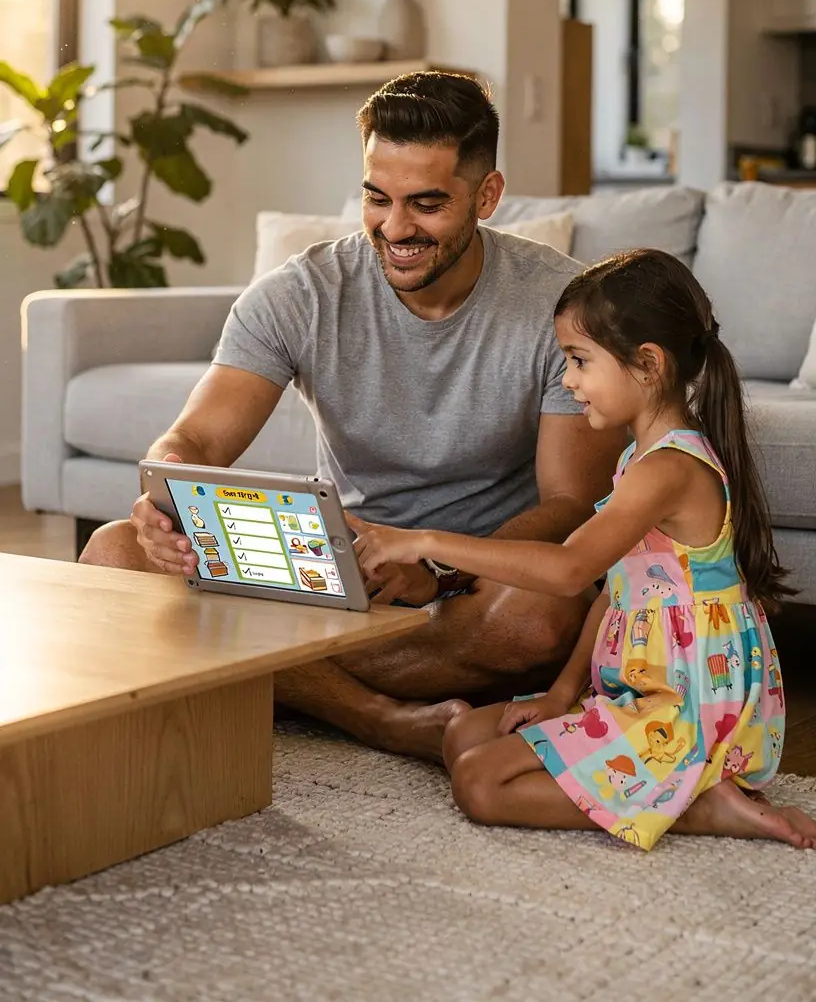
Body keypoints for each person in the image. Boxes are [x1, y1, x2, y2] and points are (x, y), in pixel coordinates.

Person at [80, 71, 625, 759]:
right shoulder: (299, 294)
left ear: (487, 196)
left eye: (427, 204)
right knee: (112, 556)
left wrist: (438, 564)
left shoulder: (563, 303)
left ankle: (267, 673)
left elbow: (571, 504)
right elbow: (195, 438)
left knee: (541, 618)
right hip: (339, 565)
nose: (395, 228)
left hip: (475, 580)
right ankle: (374, 715)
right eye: (377, 198)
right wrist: (164, 497)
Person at [356, 249, 816, 848]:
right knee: (463, 736)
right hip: (636, 690)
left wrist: (424, 541)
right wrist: (561, 694)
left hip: (688, 707)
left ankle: (698, 809)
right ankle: (669, 788)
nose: (568, 380)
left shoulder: (669, 469)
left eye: (579, 360)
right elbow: (613, 591)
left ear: (647, 364)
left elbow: (570, 569)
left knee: (479, 782)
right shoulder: (637, 461)